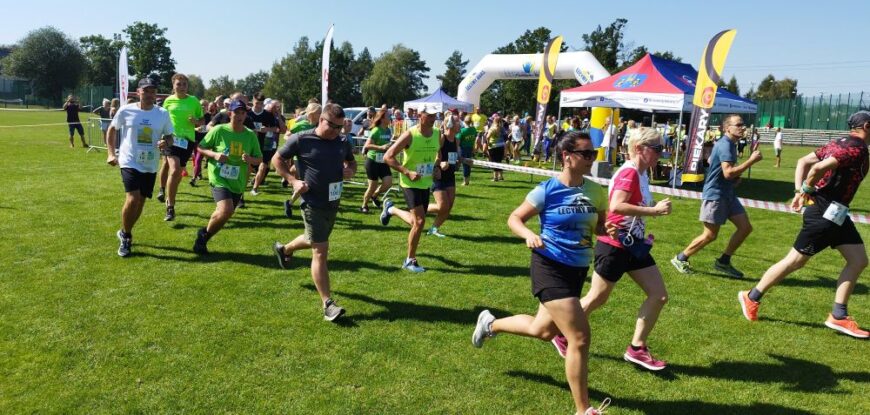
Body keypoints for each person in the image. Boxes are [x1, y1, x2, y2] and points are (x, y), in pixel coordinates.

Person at [471, 131, 610, 415]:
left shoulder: (596, 191)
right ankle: (584, 410)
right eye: (585, 154)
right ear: (567, 157)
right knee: (580, 338)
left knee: (543, 330)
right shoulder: (547, 190)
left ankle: (490, 324)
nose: (591, 159)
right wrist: (528, 235)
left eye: (593, 153)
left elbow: (599, 227)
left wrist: (615, 231)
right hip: (549, 265)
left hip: (577, 269)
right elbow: (515, 218)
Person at [738, 111, 870, 339]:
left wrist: (798, 190)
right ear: (867, 126)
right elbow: (816, 168)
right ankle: (751, 296)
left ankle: (838, 315)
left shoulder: (839, 142)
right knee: (795, 261)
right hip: (823, 213)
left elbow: (803, 161)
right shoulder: (856, 148)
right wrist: (803, 192)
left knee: (858, 260)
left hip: (837, 214)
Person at [553, 127, 672, 371]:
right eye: (657, 148)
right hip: (614, 245)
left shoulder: (641, 173)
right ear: (639, 148)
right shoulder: (629, 172)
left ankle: (637, 348)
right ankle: (561, 333)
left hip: (633, 245)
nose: (661, 153)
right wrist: (653, 211)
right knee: (597, 297)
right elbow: (617, 206)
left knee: (659, 295)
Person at [271, 103, 356, 322]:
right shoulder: (302, 139)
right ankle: (328, 304)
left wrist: (350, 170)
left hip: (333, 202)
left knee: (313, 239)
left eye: (339, 127)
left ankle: (284, 249)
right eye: (332, 126)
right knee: (320, 250)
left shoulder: (342, 141)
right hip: (311, 202)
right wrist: (293, 180)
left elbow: (352, 162)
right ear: (321, 120)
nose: (336, 131)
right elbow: (276, 159)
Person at [671, 115, 763, 278]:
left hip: (727, 194)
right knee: (710, 235)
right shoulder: (725, 145)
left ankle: (723, 261)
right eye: (738, 125)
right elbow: (728, 173)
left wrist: (734, 178)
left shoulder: (730, 144)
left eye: (743, 124)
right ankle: (680, 258)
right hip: (715, 195)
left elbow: (714, 164)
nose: (743, 127)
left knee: (745, 228)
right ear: (727, 128)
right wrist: (751, 161)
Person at [105, 78, 174, 257]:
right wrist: (111, 153)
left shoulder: (162, 113)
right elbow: (112, 129)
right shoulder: (126, 110)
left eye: (153, 91)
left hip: (150, 163)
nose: (150, 94)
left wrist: (165, 142)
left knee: (141, 201)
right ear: (138, 92)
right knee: (133, 198)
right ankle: (127, 237)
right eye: (146, 91)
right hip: (129, 160)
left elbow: (170, 136)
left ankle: (124, 231)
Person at [192, 99, 262, 254]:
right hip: (219, 176)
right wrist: (215, 155)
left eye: (243, 113)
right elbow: (201, 147)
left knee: (226, 213)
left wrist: (250, 159)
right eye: (237, 112)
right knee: (226, 209)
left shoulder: (250, 135)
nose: (240, 116)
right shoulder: (219, 130)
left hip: (238, 180)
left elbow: (259, 158)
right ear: (230, 114)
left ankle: (203, 236)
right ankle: (203, 238)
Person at [380, 103, 442, 273]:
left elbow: (438, 154)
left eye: (434, 115)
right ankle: (409, 260)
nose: (433, 118)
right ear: (420, 115)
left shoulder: (437, 133)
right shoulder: (410, 135)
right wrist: (407, 172)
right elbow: (388, 157)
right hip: (409, 183)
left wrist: (437, 167)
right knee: (420, 221)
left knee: (416, 221)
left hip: (425, 183)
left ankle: (391, 209)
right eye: (429, 115)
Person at [156, 74, 204, 221]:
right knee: (174, 169)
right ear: (173, 86)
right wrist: (160, 137)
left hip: (187, 141)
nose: (182, 87)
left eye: (184, 84)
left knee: (177, 174)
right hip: (171, 138)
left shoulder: (194, 101)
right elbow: (162, 119)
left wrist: (196, 121)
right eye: (178, 84)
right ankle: (170, 207)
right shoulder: (168, 101)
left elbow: (202, 120)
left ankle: (168, 194)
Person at [426, 113, 460, 237]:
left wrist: (460, 161)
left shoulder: (456, 140)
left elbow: (454, 157)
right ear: (450, 124)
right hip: (438, 176)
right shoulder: (442, 138)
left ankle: (434, 229)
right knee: (442, 207)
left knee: (448, 206)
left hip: (450, 176)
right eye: (457, 122)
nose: (460, 124)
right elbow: (433, 155)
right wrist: (440, 164)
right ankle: (419, 208)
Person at [360, 110, 393, 213]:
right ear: (382, 118)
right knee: (372, 185)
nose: (390, 118)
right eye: (388, 116)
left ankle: (374, 195)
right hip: (372, 161)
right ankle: (364, 205)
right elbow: (367, 145)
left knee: (388, 183)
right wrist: (381, 147)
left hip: (383, 161)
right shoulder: (376, 130)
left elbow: (387, 144)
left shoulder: (388, 130)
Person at [248, 93, 279, 196]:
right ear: (253, 101)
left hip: (264, 144)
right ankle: (241, 188)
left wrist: (267, 129)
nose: (258, 105)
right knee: (248, 167)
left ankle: (255, 189)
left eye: (261, 103)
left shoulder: (268, 114)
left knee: (263, 166)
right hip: (249, 144)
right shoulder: (247, 113)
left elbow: (276, 129)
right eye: (257, 103)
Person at [457, 116, 477, 186]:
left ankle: (465, 181)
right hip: (470, 148)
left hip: (463, 149)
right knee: (469, 164)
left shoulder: (462, 130)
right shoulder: (473, 129)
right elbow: (474, 138)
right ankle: (467, 180)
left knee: (465, 165)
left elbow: (458, 141)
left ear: (464, 121)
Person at [486, 114, 506, 181]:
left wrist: (488, 144)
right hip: (501, 146)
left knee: (494, 162)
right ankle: (501, 176)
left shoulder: (492, 128)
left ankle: (495, 177)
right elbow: (506, 136)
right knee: (499, 161)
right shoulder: (502, 128)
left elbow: (487, 137)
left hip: (493, 146)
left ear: (494, 121)